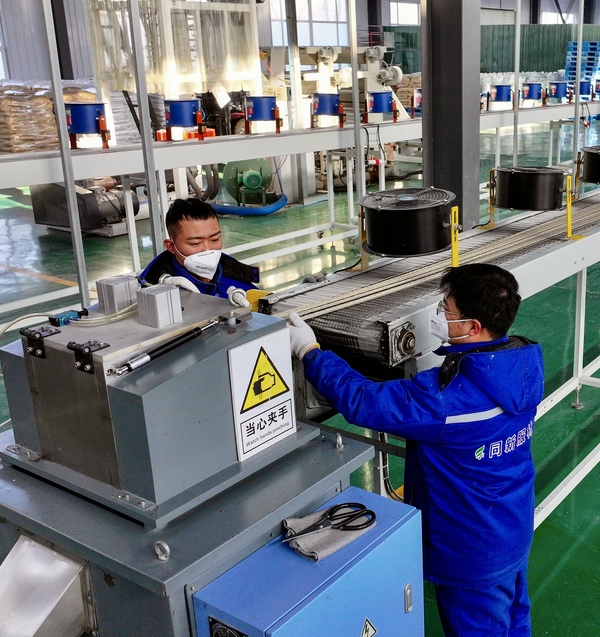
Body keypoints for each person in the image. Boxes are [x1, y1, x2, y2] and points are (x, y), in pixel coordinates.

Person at [288, 263, 544, 637]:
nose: (440, 315)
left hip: (471, 550)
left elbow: (363, 401)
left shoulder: (445, 401)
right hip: (512, 525)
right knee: (515, 616)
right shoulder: (522, 365)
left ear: (473, 327)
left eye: (447, 311)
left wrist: (310, 351)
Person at [139, 198, 258, 304]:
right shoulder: (154, 294)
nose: (207, 249)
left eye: (214, 239)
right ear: (171, 246)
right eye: (195, 243)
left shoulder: (235, 274)